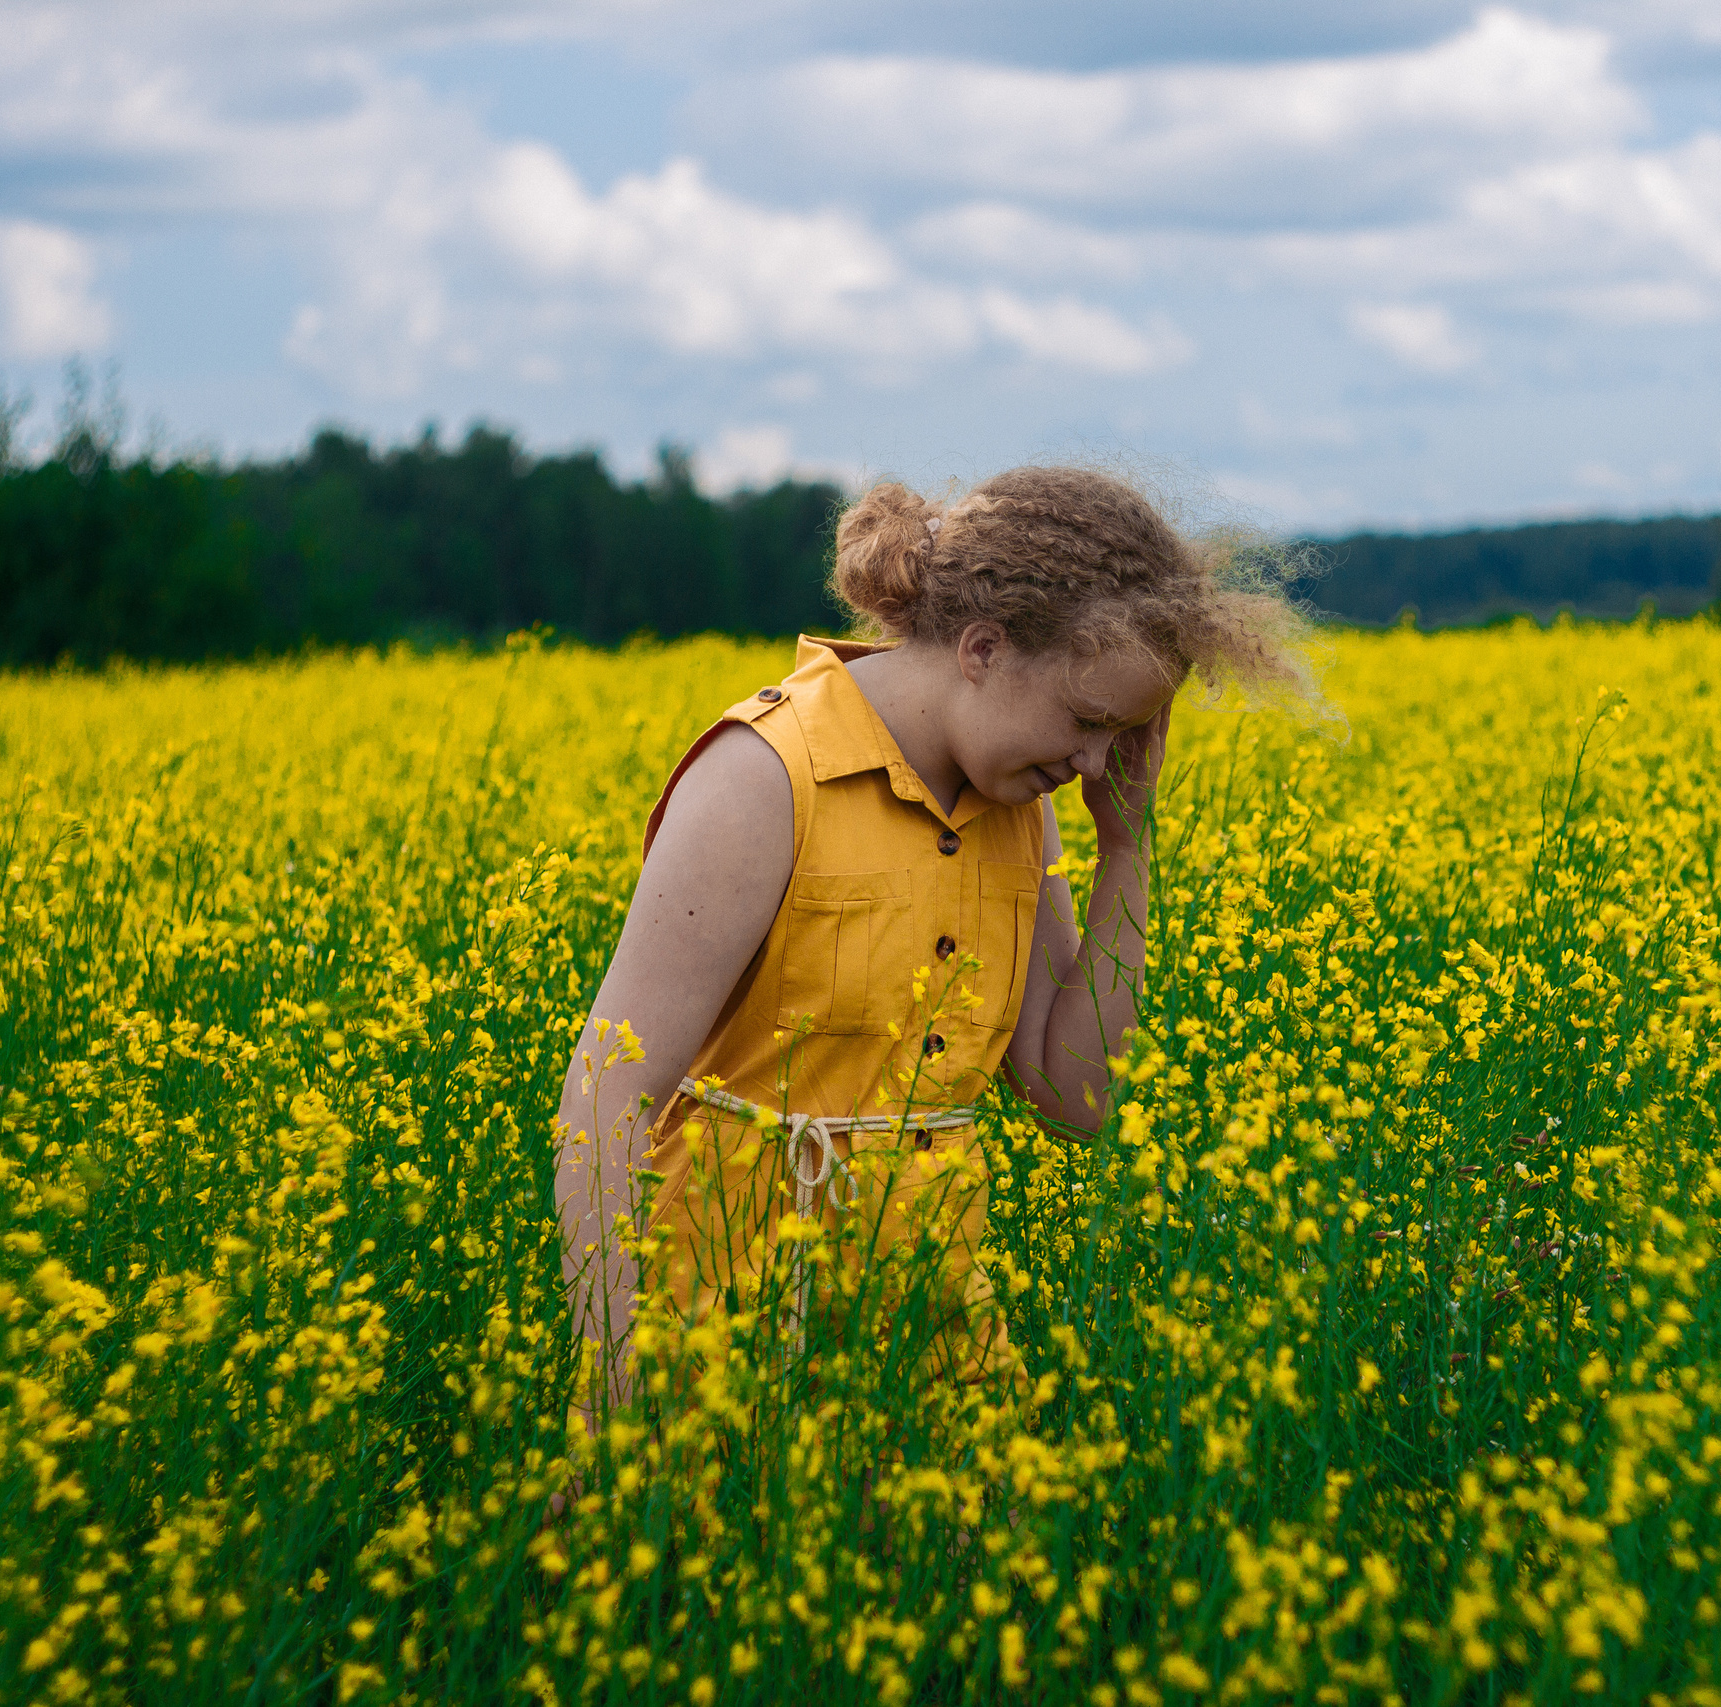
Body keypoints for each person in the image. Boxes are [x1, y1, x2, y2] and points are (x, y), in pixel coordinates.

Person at [552, 465, 1306, 1435]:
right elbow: (605, 1091)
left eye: (1116, 736)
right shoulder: (764, 777)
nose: (1089, 764)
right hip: (728, 1341)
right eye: (1086, 722)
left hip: (934, 1340)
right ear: (983, 648)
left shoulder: (1020, 811)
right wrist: (619, 1380)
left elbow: (1076, 1097)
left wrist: (1127, 847)